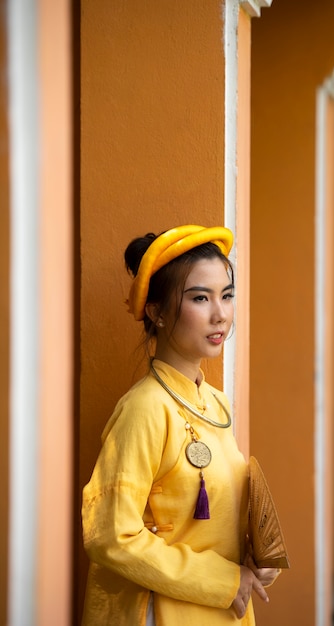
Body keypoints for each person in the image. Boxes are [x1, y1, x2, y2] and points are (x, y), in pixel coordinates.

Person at [81, 225, 279, 625]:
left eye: (226, 295)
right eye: (200, 298)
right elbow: (110, 536)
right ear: (155, 311)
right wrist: (222, 580)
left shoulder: (215, 401)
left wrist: (254, 559)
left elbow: (211, 522)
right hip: (165, 614)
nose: (220, 313)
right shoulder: (144, 409)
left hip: (223, 612)